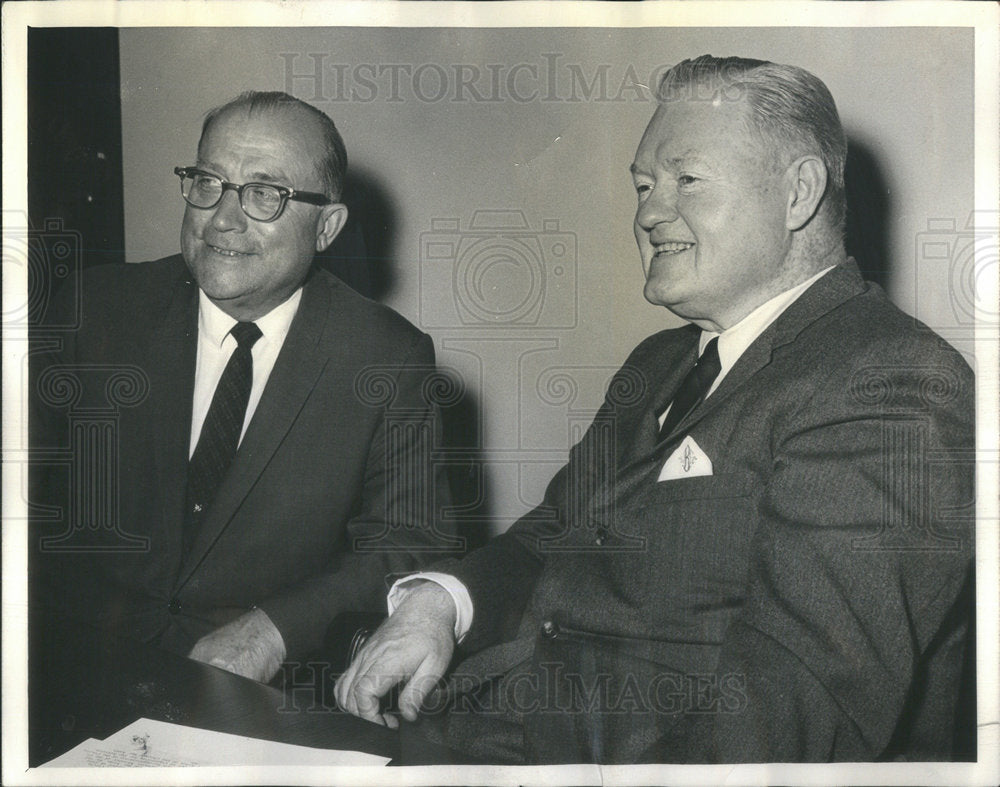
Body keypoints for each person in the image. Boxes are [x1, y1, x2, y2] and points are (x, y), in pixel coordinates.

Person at [335, 56, 975, 763]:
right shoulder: (660, 362)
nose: (647, 212)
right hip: (492, 727)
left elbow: (790, 715)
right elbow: (558, 531)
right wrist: (441, 602)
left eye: (686, 180)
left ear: (798, 194)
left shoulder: (890, 378)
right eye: (643, 184)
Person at [31, 91, 455, 683]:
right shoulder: (94, 310)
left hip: (258, 698)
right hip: (66, 668)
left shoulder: (386, 359)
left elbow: (407, 546)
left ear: (326, 226)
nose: (222, 219)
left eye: (265, 194)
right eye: (208, 182)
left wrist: (275, 629)